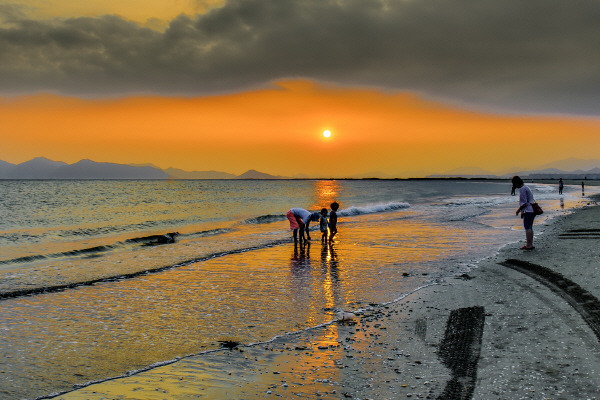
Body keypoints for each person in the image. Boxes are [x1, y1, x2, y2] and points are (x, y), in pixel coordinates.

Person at [512, 176, 536, 250]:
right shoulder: (526, 187)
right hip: (532, 210)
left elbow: (524, 203)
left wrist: (519, 210)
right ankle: (530, 244)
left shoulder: (522, 189)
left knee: (527, 227)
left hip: (528, 210)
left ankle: (529, 245)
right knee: (530, 227)